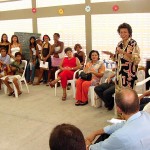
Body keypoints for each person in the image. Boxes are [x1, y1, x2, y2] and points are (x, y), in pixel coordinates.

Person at [85, 88, 150, 150]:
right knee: (105, 134)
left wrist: (88, 144)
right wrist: (96, 132)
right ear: (138, 103)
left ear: (118, 109)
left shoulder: (120, 136)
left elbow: (95, 149)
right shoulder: (146, 115)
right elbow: (123, 124)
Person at [102, 23, 140, 92]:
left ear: (129, 33)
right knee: (119, 96)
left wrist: (124, 52)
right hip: (119, 75)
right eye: (121, 32)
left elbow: (136, 59)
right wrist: (110, 54)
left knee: (128, 97)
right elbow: (117, 59)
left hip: (129, 75)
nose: (123, 34)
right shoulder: (119, 44)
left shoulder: (133, 43)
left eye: (125, 32)